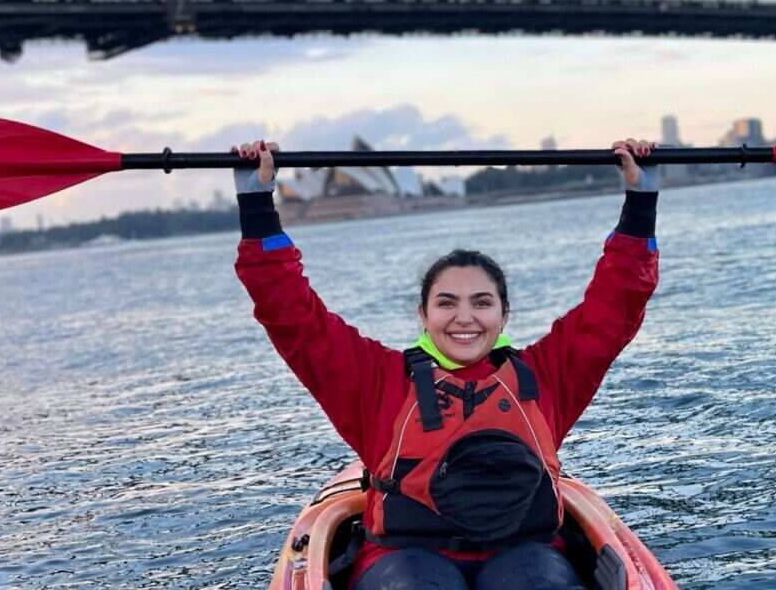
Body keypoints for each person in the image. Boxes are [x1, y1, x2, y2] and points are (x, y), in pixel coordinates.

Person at [231, 138, 660, 590]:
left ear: (503, 314)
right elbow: (292, 316)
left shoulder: (546, 375)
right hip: (406, 558)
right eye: (447, 303)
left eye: (481, 302)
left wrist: (641, 199)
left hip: (527, 553)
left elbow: (616, 305)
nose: (465, 318)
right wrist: (256, 203)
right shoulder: (379, 381)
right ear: (424, 315)